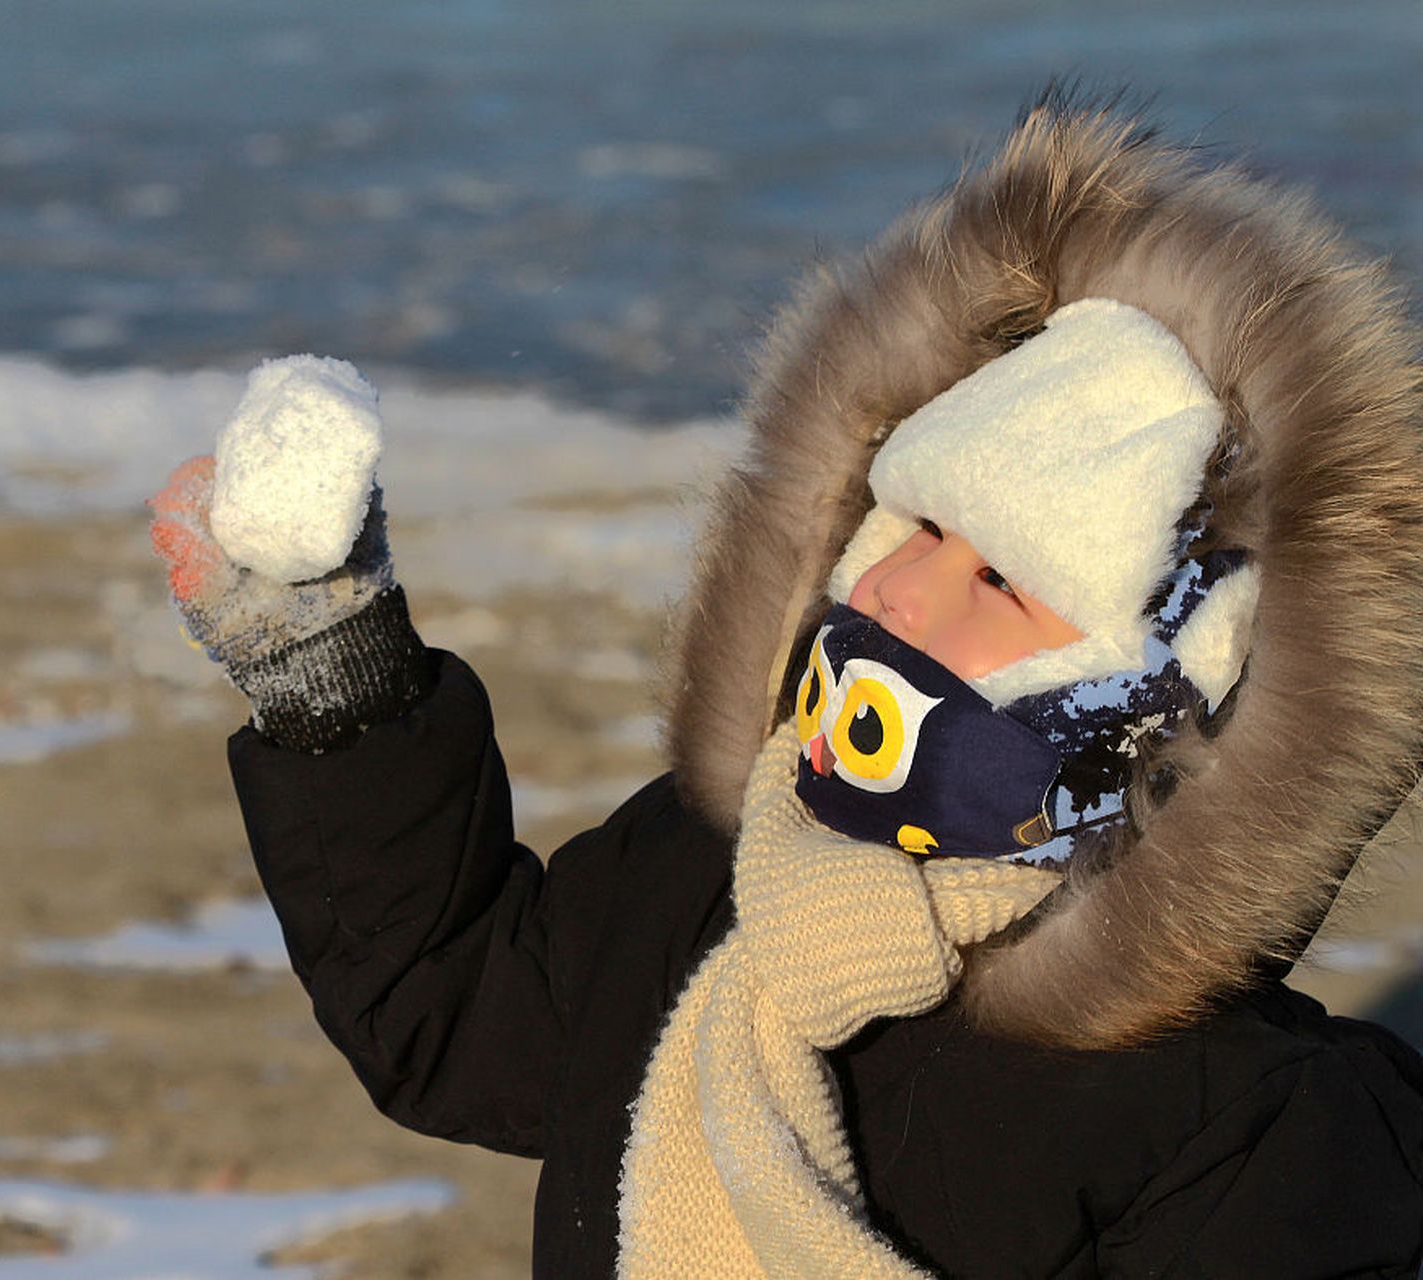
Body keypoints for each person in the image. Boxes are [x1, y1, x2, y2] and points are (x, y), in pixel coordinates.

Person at [149, 97, 1423, 1277]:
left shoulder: (1237, 1120)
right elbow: (456, 1017)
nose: (901, 598)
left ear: (1144, 716)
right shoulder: (709, 863)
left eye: (999, 587)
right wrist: (337, 675)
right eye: (914, 527)